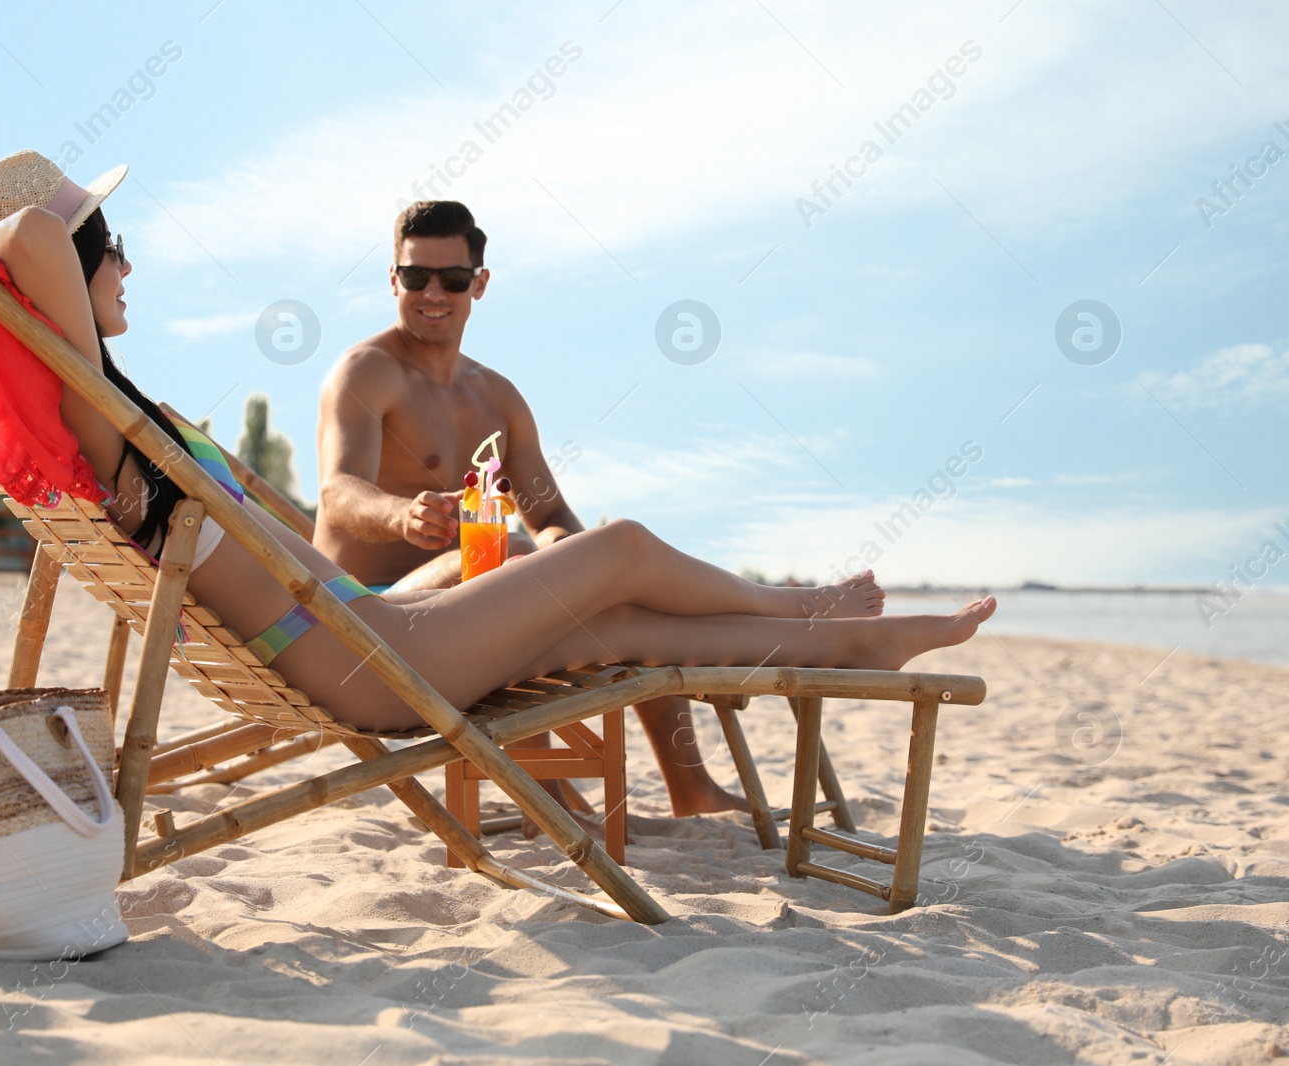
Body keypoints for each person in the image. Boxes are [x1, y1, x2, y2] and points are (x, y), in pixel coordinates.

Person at [0, 154, 995, 743]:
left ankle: (850, 641)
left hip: (372, 627)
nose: (126, 263)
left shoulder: (124, 421)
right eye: (109, 245)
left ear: (476, 285)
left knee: (619, 606)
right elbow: (26, 237)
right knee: (623, 549)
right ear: (68, 270)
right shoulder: (98, 421)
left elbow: (530, 505)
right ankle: (803, 607)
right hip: (371, 662)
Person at [311, 201, 886, 816]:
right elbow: (337, 491)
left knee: (597, 579)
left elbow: (550, 510)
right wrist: (404, 515)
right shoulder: (368, 371)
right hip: (366, 612)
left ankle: (690, 787)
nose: (433, 293)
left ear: (478, 283)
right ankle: (551, 786)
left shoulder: (497, 397)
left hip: (462, 604)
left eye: (451, 279)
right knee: (513, 556)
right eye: (416, 276)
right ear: (392, 279)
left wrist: (563, 547)